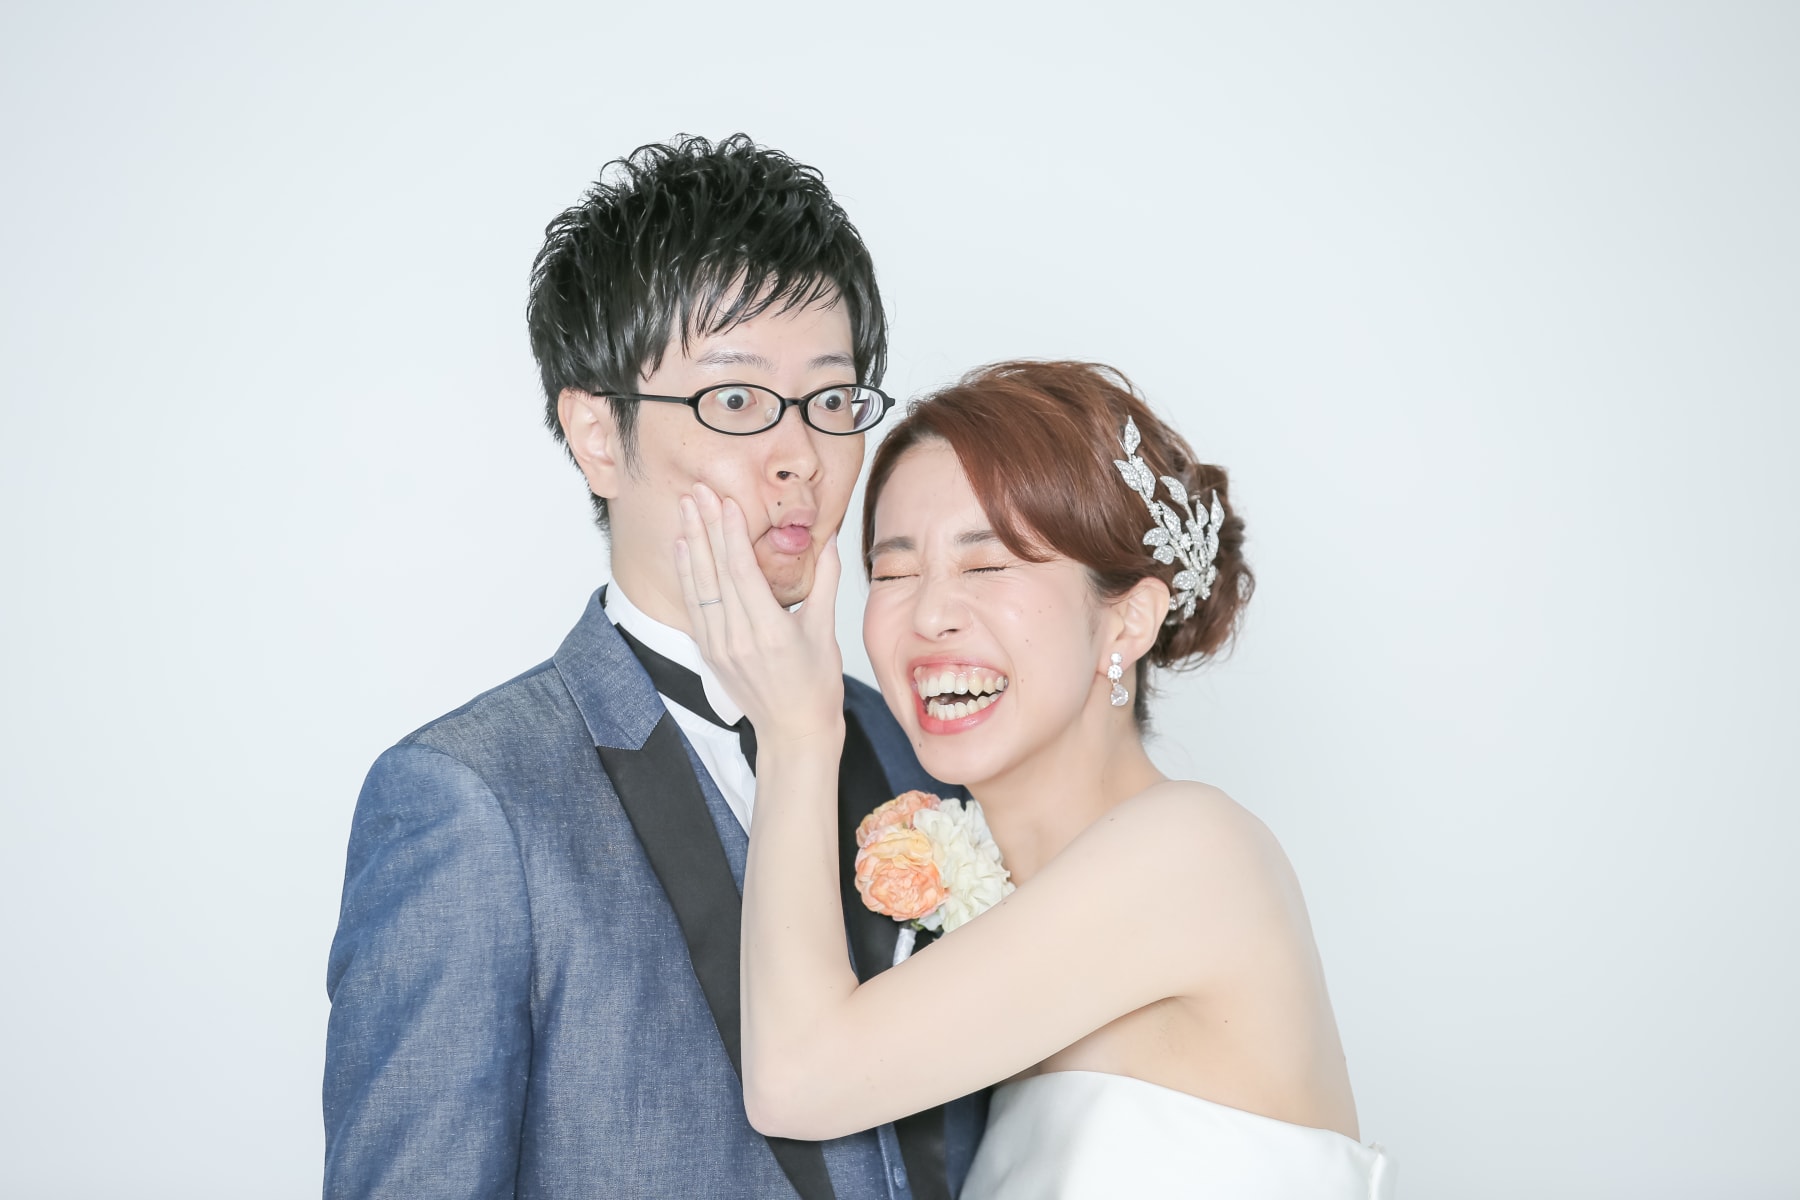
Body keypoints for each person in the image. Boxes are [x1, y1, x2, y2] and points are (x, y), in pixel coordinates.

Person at [322, 135, 984, 1200]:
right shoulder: (466, 801)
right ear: (597, 434)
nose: (800, 456)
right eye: (736, 401)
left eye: (831, 400)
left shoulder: (922, 743)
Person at [678, 360, 1393, 1198]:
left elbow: (799, 1080)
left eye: (986, 567)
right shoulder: (1017, 921)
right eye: (894, 573)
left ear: (1127, 618)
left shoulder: (1195, 852)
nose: (930, 614)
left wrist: (798, 734)